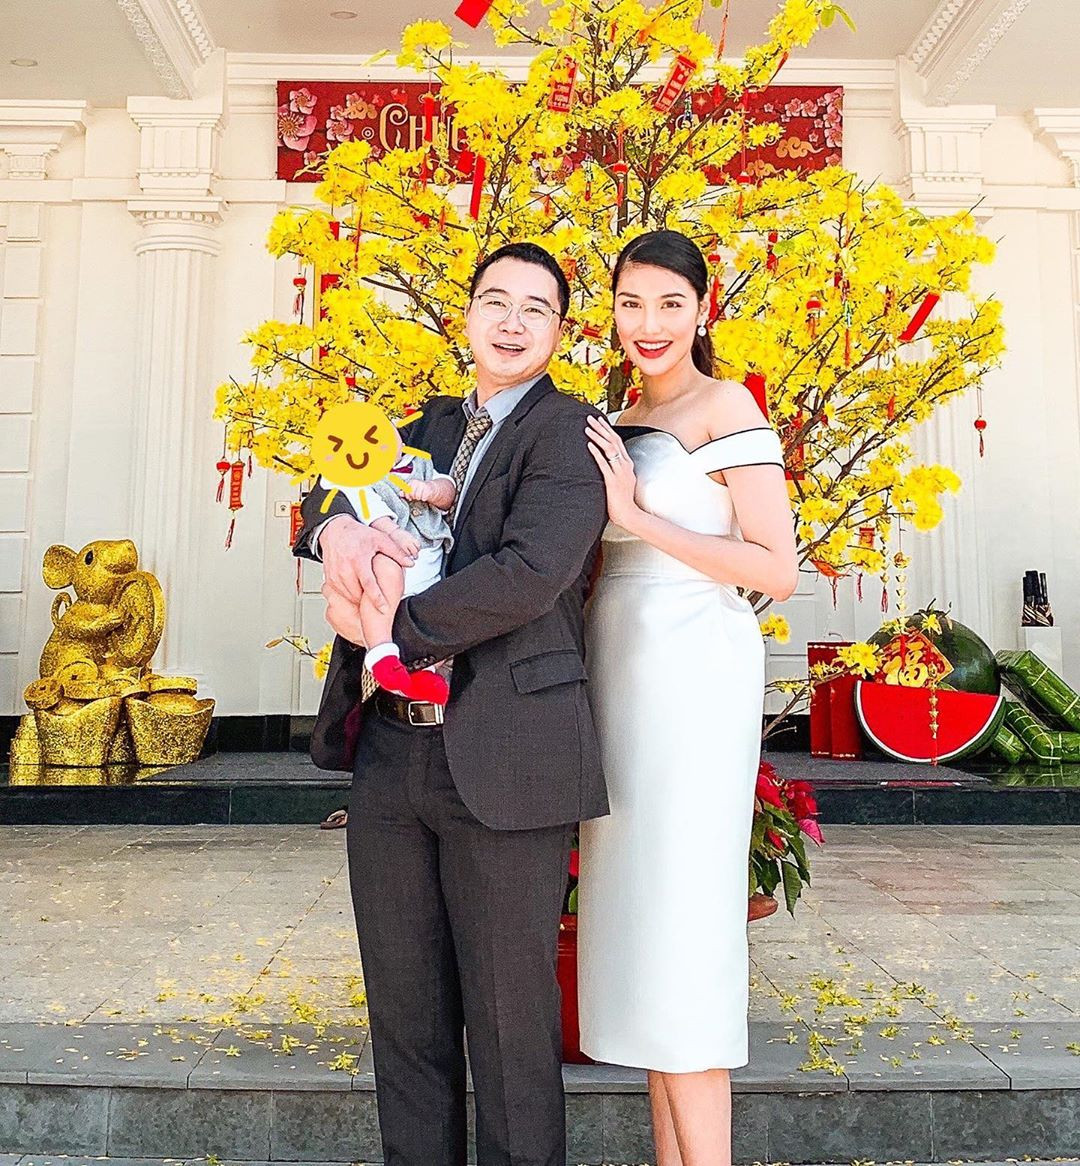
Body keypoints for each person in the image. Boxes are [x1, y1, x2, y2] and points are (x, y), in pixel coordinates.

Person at [292, 240, 609, 1166]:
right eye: (495, 301)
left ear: (558, 332)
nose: (511, 323)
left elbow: (529, 574)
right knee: (405, 1018)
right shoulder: (425, 423)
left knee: (511, 1029)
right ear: (466, 316)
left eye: (535, 309)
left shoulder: (568, 433)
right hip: (392, 756)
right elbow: (329, 486)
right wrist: (334, 530)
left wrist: (388, 627)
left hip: (508, 756)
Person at [578, 229, 799, 1166]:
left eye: (671, 303)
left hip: (696, 669)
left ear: (703, 310)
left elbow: (776, 568)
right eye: (632, 303)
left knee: (686, 930)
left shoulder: (727, 405)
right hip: (617, 668)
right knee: (645, 939)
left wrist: (636, 517)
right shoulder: (614, 416)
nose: (650, 323)